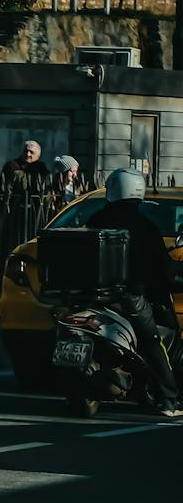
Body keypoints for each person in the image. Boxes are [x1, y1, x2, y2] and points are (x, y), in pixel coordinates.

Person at [89, 168, 181, 417]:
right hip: (129, 296)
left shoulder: (96, 219)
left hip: (91, 296)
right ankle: (169, 398)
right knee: (153, 343)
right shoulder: (145, 227)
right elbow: (161, 267)